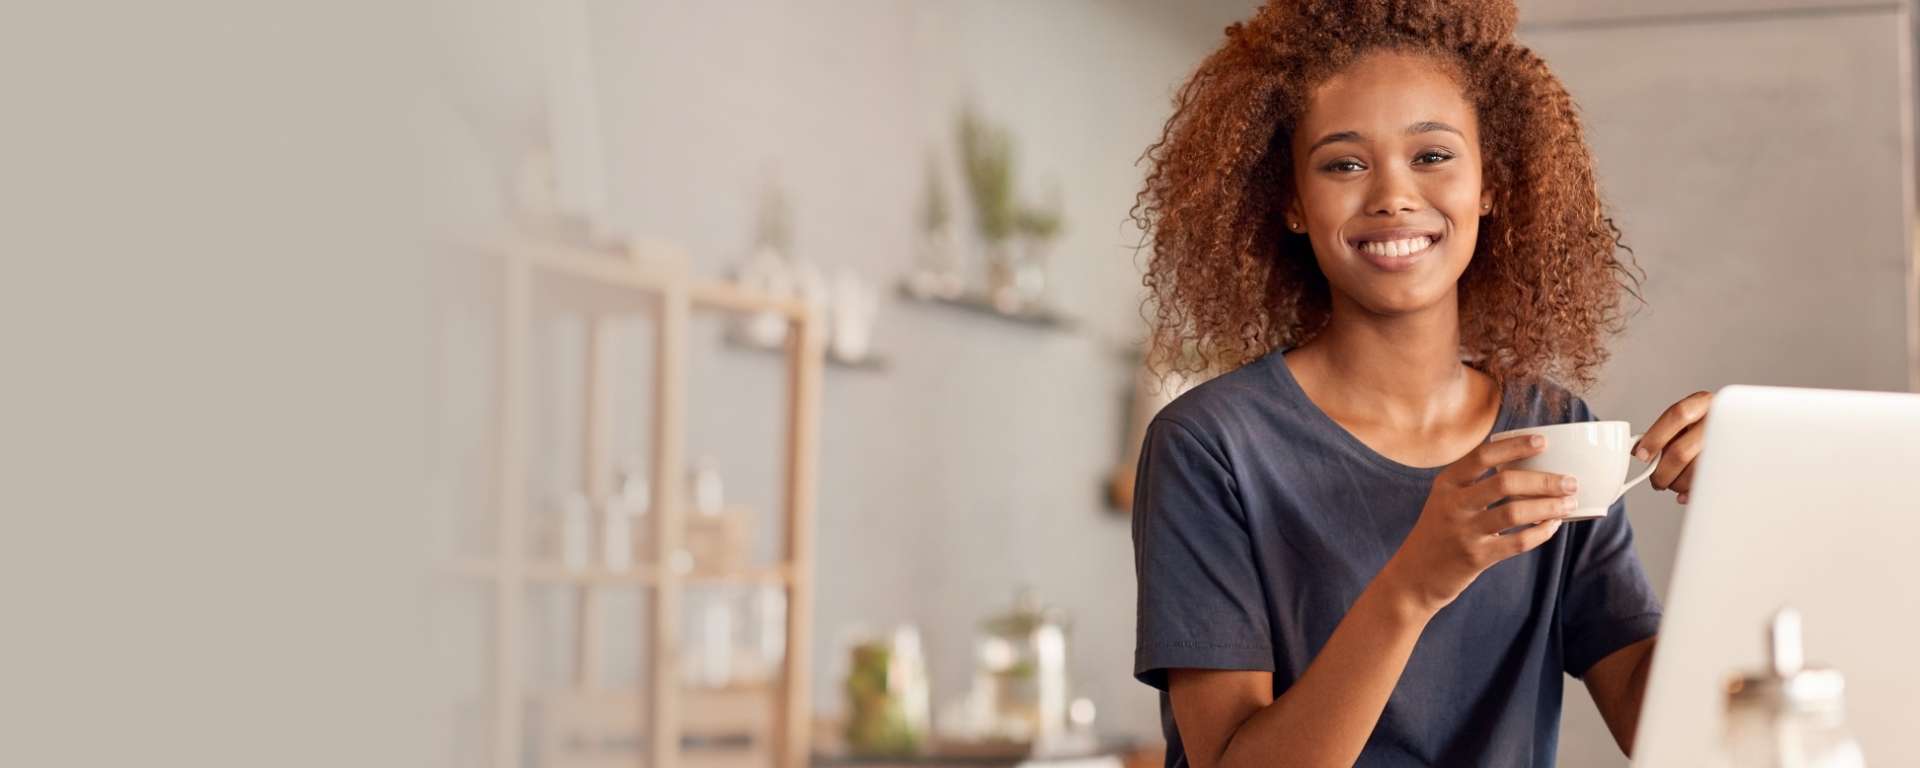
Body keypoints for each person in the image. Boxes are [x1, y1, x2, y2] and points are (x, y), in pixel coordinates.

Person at [1127, 2, 1714, 766]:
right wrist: (1415, 584)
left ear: (1490, 185)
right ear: (1293, 203)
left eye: (1432, 156)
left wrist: (1740, 514)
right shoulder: (1211, 447)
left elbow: (1663, 729)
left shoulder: (1550, 427)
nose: (1393, 196)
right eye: (1344, 164)